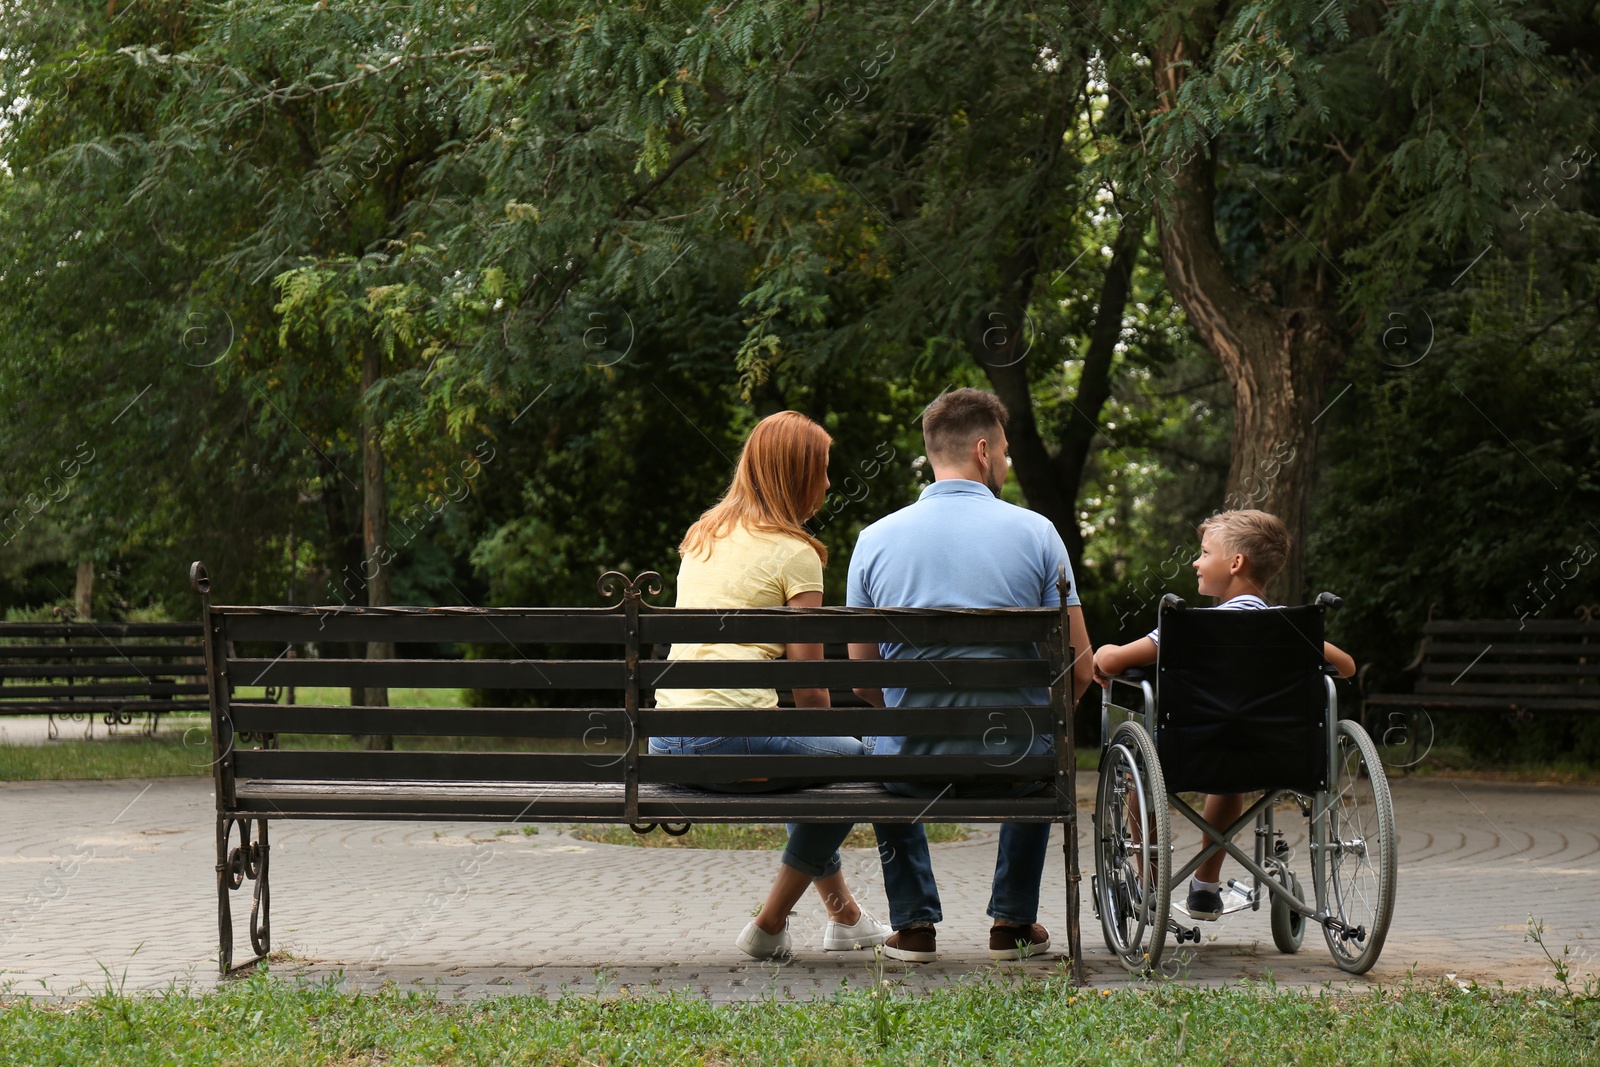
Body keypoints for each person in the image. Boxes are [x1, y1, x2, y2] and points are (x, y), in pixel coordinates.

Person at [844, 388, 1096, 963]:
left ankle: (913, 928)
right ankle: (1011, 922)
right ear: (983, 451)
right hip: (1015, 764)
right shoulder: (1038, 534)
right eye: (1005, 450)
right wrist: (1047, 727)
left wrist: (913, 726)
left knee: (887, 749)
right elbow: (1081, 667)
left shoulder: (873, 541)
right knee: (1040, 743)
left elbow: (864, 680)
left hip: (913, 769)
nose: (1006, 461)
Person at [648, 410, 890, 960]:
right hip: (727, 744)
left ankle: (845, 915)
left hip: (666, 741)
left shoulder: (701, 535)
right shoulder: (796, 554)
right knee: (853, 760)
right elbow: (809, 690)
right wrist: (829, 749)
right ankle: (770, 922)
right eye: (823, 470)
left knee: (800, 758)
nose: (829, 483)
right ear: (796, 474)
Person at [1092, 509, 1356, 920]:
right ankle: (1204, 887)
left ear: (1235, 563)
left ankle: (1151, 885)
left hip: (1189, 753)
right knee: (1230, 768)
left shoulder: (1189, 627)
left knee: (1137, 775)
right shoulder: (1292, 629)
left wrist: (1103, 653)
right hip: (1278, 755)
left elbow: (1114, 662)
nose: (1196, 562)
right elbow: (1346, 668)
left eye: (1203, 552)